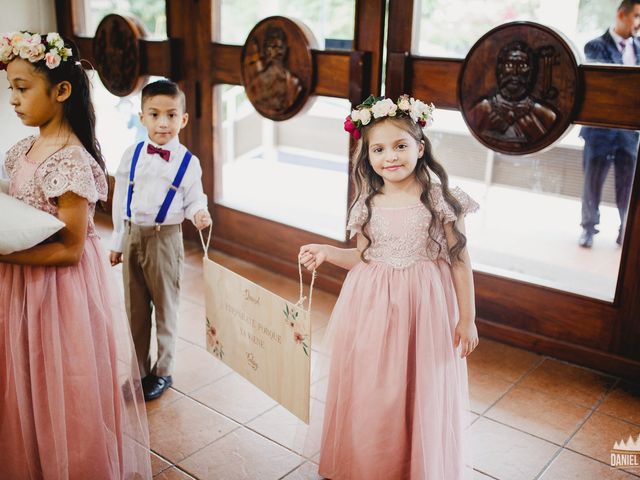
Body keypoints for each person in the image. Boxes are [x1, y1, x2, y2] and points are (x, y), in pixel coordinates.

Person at [300, 95, 478, 479]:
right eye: (378, 149)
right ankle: (369, 463)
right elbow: (364, 257)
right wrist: (329, 251)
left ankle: (413, 466)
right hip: (372, 307)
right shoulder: (367, 200)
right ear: (367, 155)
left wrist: (468, 319)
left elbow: (460, 262)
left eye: (400, 146)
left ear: (420, 147)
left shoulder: (441, 199)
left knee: (419, 387)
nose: (390, 157)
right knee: (374, 387)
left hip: (424, 308)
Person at [0, 31, 151, 478]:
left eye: (23, 88)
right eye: (11, 88)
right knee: (25, 374)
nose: (13, 99)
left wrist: (5, 258)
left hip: (58, 291)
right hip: (22, 282)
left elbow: (68, 248)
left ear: (61, 91)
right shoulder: (22, 151)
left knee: (63, 381)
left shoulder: (71, 161)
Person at [110, 79, 212, 401]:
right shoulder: (132, 154)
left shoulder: (188, 162)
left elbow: (195, 198)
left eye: (171, 115)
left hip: (165, 239)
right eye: (154, 115)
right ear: (142, 118)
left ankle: (163, 371)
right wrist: (117, 241)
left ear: (183, 119)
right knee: (135, 309)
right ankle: (139, 371)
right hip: (132, 236)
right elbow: (121, 199)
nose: (163, 123)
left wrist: (199, 213)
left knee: (166, 307)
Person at [579, 0, 640, 248]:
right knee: (592, 183)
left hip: (628, 134)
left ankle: (625, 230)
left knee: (628, 187)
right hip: (599, 132)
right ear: (621, 15)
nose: (639, 23)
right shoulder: (595, 46)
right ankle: (588, 230)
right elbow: (611, 84)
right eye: (636, 16)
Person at [468, 40, 557, 145]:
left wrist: (535, 130)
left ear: (532, 71)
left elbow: (545, 141)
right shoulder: (482, 109)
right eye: (509, 65)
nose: (515, 72)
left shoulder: (546, 115)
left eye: (523, 66)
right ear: (500, 70)